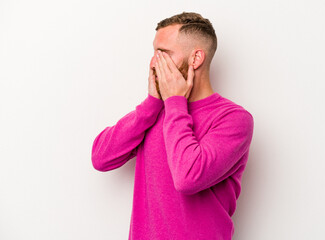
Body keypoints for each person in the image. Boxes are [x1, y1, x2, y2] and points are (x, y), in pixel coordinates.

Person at [91, 11, 254, 240]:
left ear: (196, 59)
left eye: (163, 53)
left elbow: (187, 178)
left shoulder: (233, 119)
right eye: (153, 53)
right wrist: (151, 105)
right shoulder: (155, 112)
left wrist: (175, 104)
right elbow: (100, 158)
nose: (153, 63)